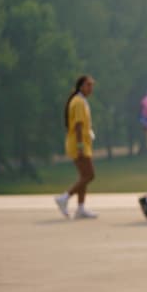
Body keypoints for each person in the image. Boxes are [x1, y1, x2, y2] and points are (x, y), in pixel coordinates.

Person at [55, 75, 98, 219]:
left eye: (91, 85)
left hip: (82, 143)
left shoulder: (80, 101)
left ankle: (80, 208)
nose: (90, 88)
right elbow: (79, 126)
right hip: (78, 144)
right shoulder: (78, 102)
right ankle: (64, 198)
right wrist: (80, 146)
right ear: (80, 86)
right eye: (88, 85)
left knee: (84, 177)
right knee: (90, 175)